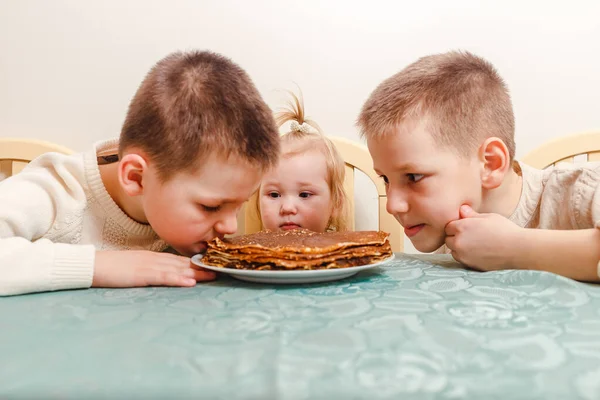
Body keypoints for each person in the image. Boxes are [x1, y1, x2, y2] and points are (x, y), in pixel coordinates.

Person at [0, 50, 280, 296]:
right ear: (135, 177)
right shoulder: (55, 191)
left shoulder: (185, 199)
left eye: (240, 204)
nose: (230, 227)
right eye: (211, 207)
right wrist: (99, 266)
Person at [357, 50, 600, 282]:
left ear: (490, 164)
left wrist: (514, 249)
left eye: (413, 176)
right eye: (385, 179)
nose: (392, 205)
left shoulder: (583, 190)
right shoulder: (448, 225)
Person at [258, 90, 349, 233]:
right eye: (274, 195)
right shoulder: (247, 254)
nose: (287, 208)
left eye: (304, 195)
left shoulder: (346, 254)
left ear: (336, 204)